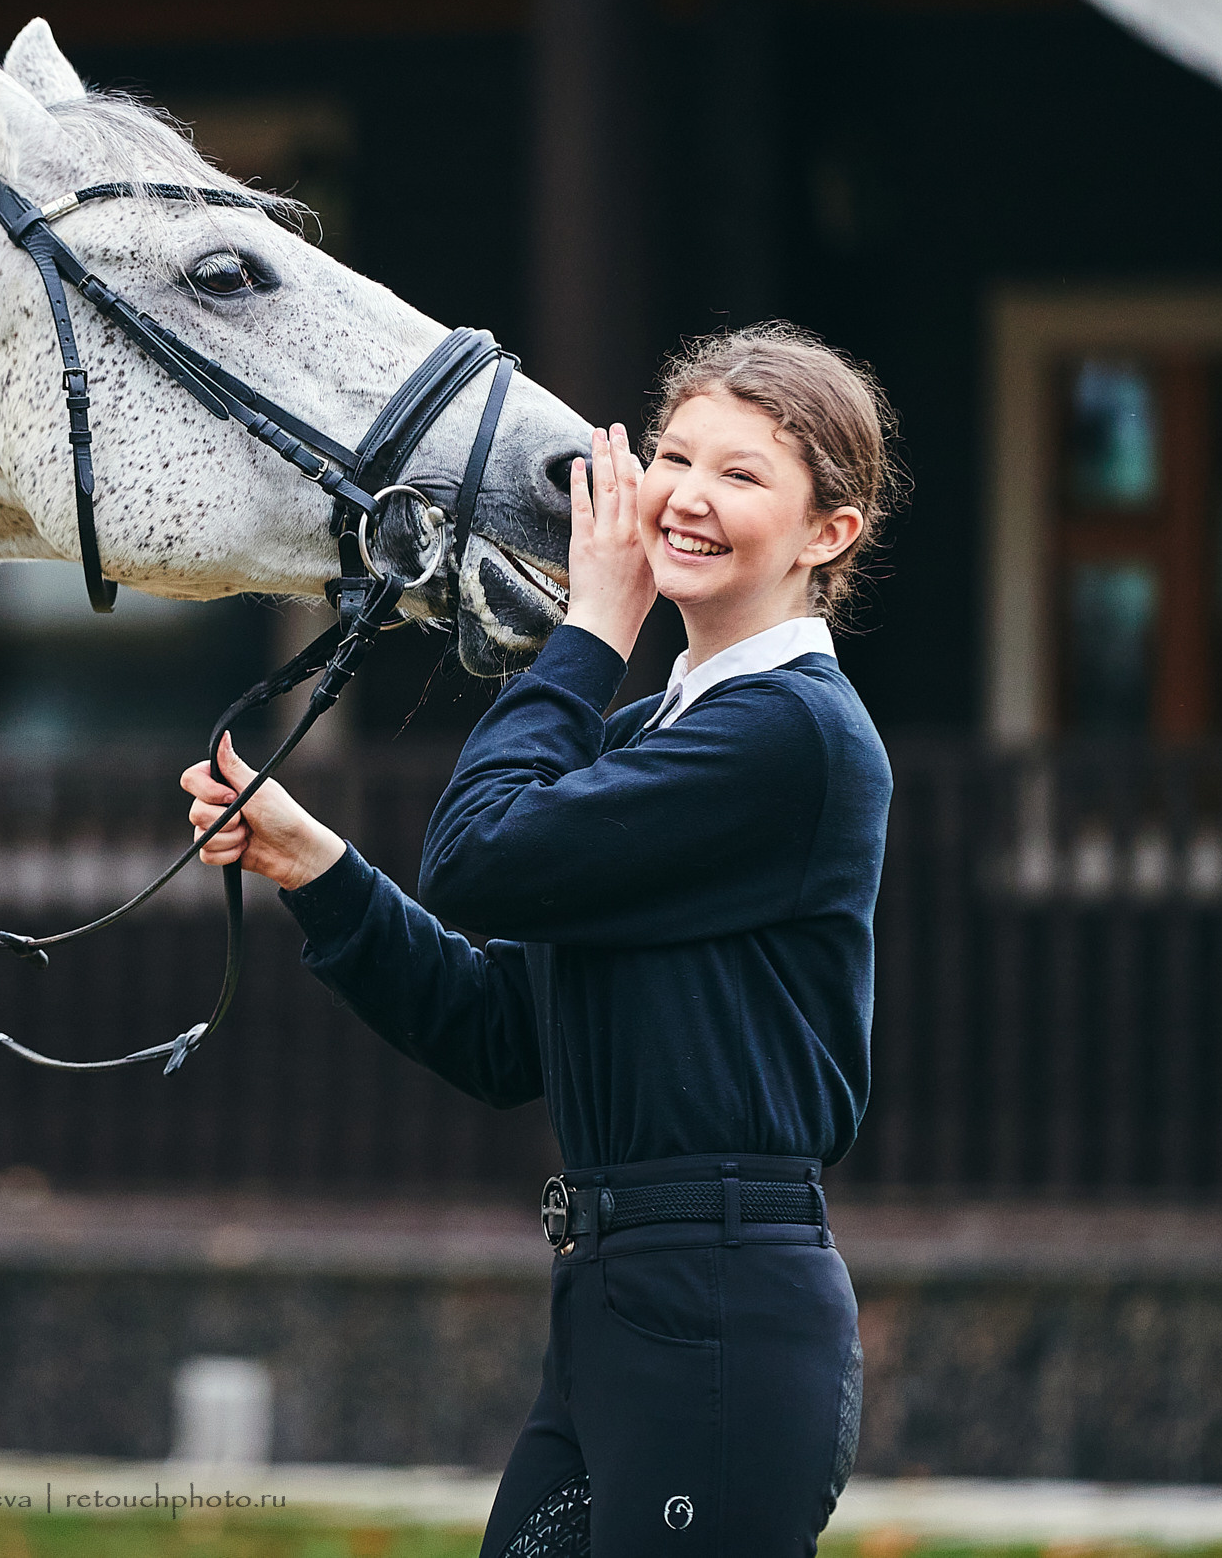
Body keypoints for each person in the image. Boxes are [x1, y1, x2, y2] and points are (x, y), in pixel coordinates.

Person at [182, 323, 902, 1554]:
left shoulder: (792, 739)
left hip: (718, 1311)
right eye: (674, 456)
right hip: (616, 1304)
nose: (684, 496)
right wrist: (315, 866)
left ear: (827, 533)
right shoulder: (657, 741)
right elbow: (501, 1035)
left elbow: (477, 856)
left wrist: (589, 633)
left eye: (742, 474)